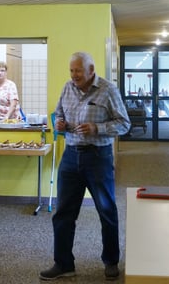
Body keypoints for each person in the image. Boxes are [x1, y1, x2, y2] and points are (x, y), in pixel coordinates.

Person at [40, 52, 131, 281]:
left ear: (91, 70)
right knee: (63, 213)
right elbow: (58, 114)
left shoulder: (108, 90)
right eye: (71, 70)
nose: (74, 75)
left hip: (98, 157)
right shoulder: (67, 88)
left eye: (78, 71)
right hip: (71, 156)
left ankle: (111, 261)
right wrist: (59, 124)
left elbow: (124, 124)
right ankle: (63, 264)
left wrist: (97, 128)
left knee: (106, 211)